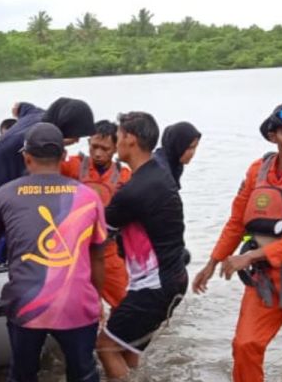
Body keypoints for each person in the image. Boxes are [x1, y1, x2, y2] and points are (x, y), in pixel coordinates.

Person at [191, 101, 282, 382]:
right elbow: (237, 221)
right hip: (265, 282)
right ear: (273, 135)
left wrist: (249, 257)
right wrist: (212, 263)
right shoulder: (257, 170)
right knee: (245, 346)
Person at [0, 123, 106, 382]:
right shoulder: (88, 197)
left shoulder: (5, 194)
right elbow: (98, 257)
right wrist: (96, 300)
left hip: (26, 305)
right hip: (76, 303)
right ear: (63, 157)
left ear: (26, 156)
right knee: (84, 373)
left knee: (22, 375)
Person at [95, 112, 188, 382]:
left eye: (119, 136)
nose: (116, 142)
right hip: (173, 280)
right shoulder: (159, 174)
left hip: (153, 288)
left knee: (105, 345)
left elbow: (100, 231)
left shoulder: (134, 190)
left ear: (130, 139)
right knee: (128, 346)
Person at [0, 97, 96, 230]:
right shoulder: (34, 139)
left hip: (1, 183)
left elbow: (18, 107)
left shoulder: (36, 113)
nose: (76, 141)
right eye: (74, 136)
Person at [60, 119, 130, 308]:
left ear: (116, 148)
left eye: (105, 149)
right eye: (94, 147)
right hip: (73, 249)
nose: (98, 153)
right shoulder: (73, 166)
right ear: (88, 143)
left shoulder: (124, 176)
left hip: (108, 249)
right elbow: (44, 166)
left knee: (125, 303)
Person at [152, 122, 202, 186]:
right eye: (189, 148)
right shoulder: (161, 172)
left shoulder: (174, 166)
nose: (193, 153)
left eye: (195, 147)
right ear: (177, 145)